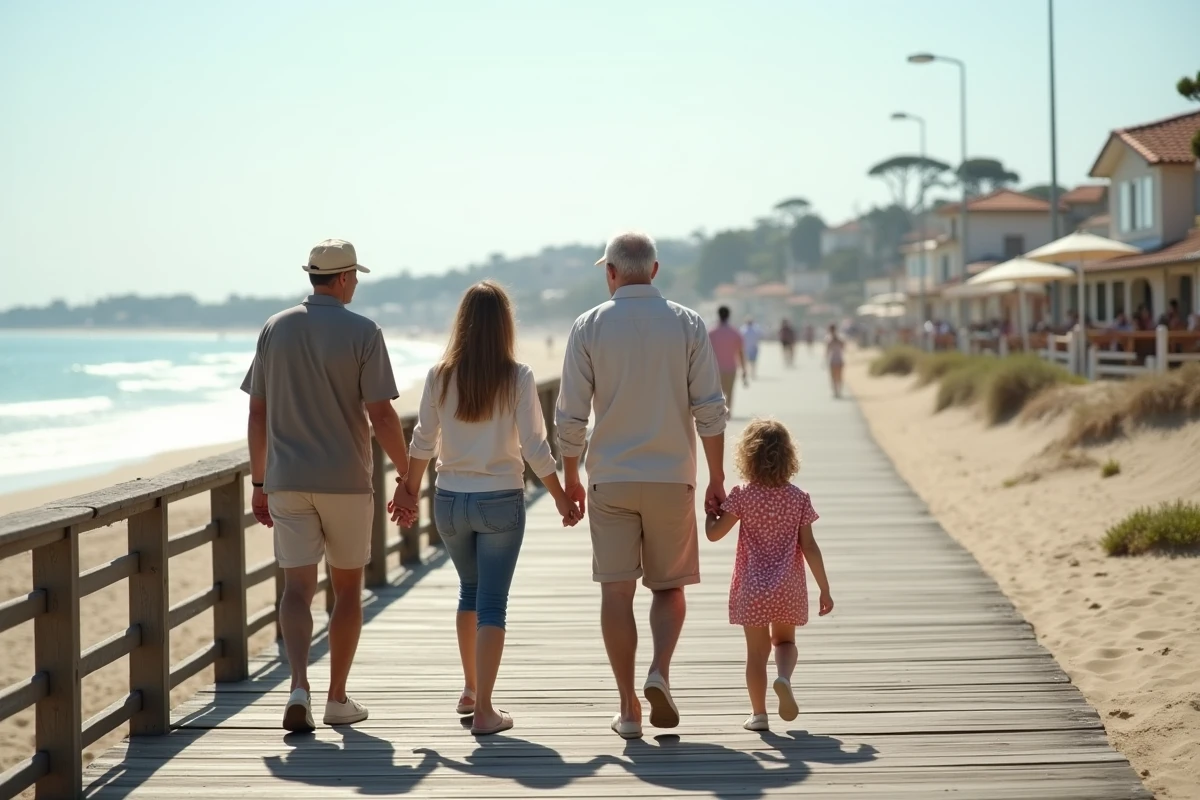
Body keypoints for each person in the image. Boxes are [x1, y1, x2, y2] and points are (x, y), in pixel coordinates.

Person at [556, 231, 728, 740]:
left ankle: (628, 709)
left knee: (616, 593)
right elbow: (710, 409)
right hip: (672, 475)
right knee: (669, 587)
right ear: (654, 270)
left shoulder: (588, 326)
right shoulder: (688, 323)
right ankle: (660, 672)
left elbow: (570, 415)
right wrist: (717, 476)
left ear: (610, 272)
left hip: (609, 477)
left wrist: (569, 477)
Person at [242, 238, 417, 732]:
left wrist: (259, 481)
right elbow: (381, 414)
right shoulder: (363, 331)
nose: (356, 283)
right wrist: (407, 475)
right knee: (346, 589)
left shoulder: (275, 328)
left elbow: (257, 412)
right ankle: (337, 698)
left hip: (287, 480)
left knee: (296, 587)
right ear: (341, 279)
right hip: (345, 481)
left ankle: (299, 683)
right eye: (355, 276)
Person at [397, 281, 583, 736]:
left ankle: (470, 688)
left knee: (470, 590)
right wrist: (560, 496)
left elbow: (423, 439)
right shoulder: (517, 376)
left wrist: (408, 490)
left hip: (449, 501)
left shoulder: (440, 375)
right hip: (499, 499)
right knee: (492, 603)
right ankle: (484, 711)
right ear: (505, 325)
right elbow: (536, 447)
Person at [704, 418, 832, 732]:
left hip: (752, 586)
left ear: (747, 457)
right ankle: (784, 678)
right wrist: (824, 590)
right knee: (785, 642)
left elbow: (715, 535)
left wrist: (710, 514)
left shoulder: (742, 495)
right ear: (789, 457)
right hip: (788, 585)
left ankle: (758, 714)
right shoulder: (799, 497)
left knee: (756, 654)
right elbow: (811, 546)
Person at [709, 306, 747, 417]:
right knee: (729, 391)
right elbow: (740, 352)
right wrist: (744, 369)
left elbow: (706, 352)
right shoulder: (735, 333)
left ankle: (719, 412)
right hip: (731, 367)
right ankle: (728, 412)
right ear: (729, 316)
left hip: (715, 369)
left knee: (717, 392)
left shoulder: (712, 333)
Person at [825, 324, 846, 398]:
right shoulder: (828, 338)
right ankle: (836, 391)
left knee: (838, 376)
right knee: (833, 377)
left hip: (838, 359)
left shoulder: (840, 337)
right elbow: (827, 350)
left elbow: (843, 347)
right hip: (833, 360)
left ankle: (838, 391)